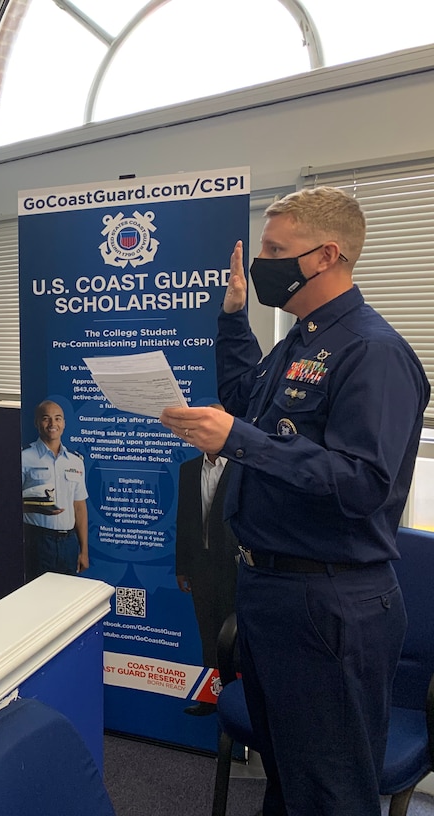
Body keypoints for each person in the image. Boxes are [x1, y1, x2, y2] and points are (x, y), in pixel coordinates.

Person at [160, 187, 429, 815]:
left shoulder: (373, 352)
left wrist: (241, 441)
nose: (260, 265)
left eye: (276, 251)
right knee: (288, 777)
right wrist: (232, 319)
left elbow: (365, 483)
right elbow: (246, 398)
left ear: (325, 255)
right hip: (270, 593)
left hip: (328, 604)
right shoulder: (302, 342)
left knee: (330, 792)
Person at [174, 404, 238, 716]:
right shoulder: (187, 470)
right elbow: (183, 521)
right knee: (208, 633)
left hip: (235, 568)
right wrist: (181, 566)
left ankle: (237, 699)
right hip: (200, 566)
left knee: (235, 636)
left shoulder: (244, 468)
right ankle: (210, 698)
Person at [21, 399, 88, 580]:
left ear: (64, 424)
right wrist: (34, 508)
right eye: (46, 418)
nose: (52, 424)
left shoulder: (75, 461)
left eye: (58, 419)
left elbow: (80, 507)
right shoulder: (24, 458)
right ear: (37, 423)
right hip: (38, 541)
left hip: (69, 543)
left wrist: (84, 551)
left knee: (67, 599)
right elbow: (8, 505)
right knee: (38, 598)